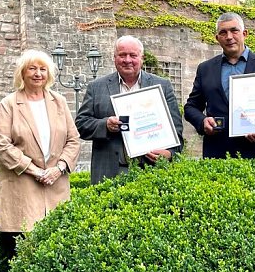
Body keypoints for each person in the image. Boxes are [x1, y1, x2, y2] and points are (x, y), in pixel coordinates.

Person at [0, 49, 81, 259]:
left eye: (43, 69)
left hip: (56, 187)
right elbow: (1, 144)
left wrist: (58, 169)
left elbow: (73, 140)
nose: (38, 73)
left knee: (55, 257)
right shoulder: (10, 103)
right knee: (22, 255)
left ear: (49, 74)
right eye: (32, 68)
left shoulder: (59, 101)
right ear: (22, 73)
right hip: (21, 189)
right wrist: (34, 170)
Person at [76, 35, 184, 184]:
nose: (127, 60)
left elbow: (176, 130)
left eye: (133, 55)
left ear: (142, 58)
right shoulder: (96, 87)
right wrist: (105, 125)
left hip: (151, 171)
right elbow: (81, 124)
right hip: (109, 171)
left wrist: (169, 153)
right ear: (114, 58)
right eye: (122, 55)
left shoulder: (162, 86)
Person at [184, 12, 255, 161]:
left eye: (234, 30)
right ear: (217, 38)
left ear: (244, 34)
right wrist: (202, 121)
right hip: (216, 154)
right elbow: (191, 107)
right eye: (223, 32)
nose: (229, 37)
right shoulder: (205, 69)